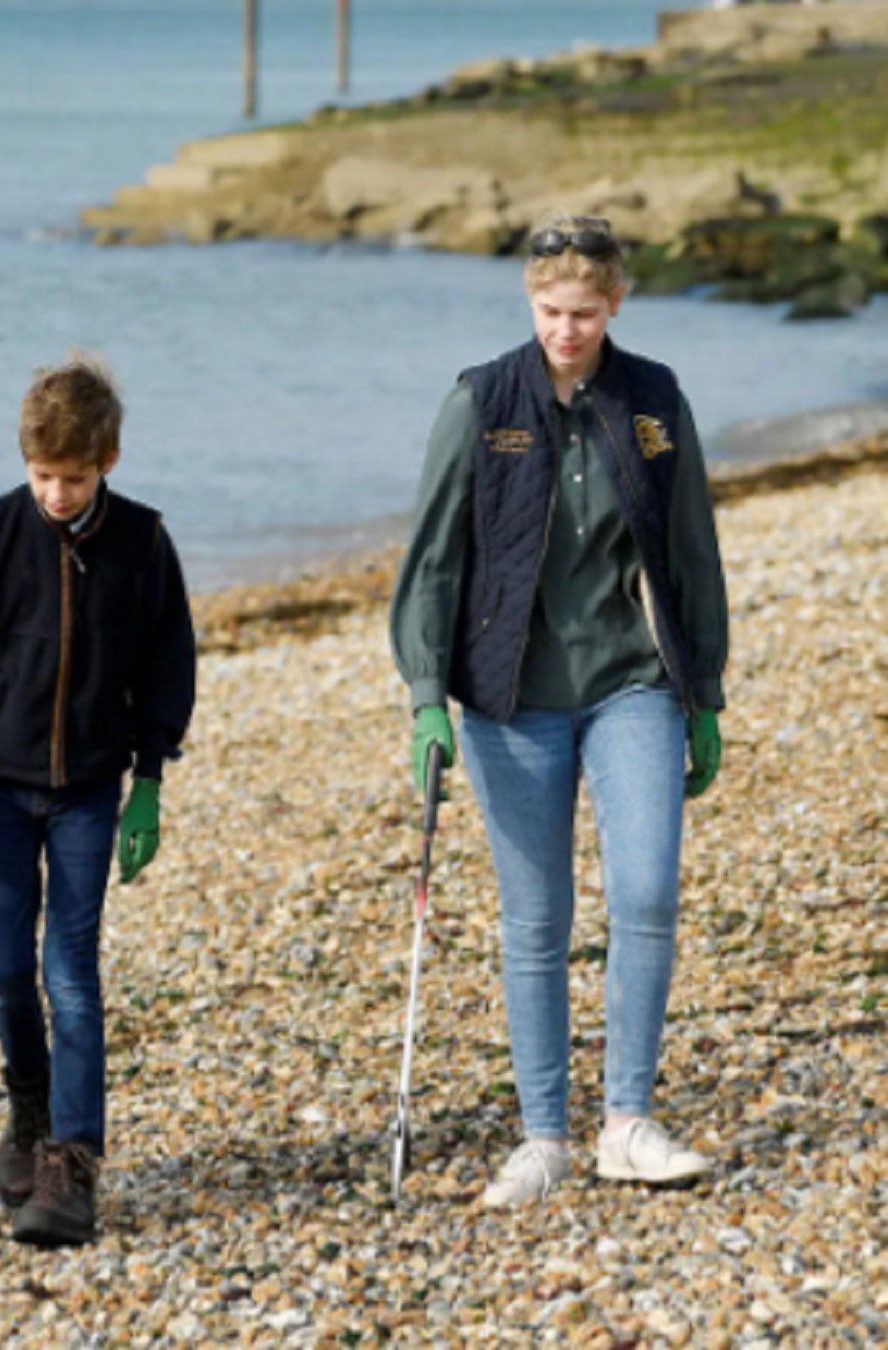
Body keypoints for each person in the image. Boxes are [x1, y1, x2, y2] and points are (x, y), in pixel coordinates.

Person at [390, 215, 729, 1209]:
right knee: (536, 920)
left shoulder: (654, 399)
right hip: (509, 695)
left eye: (584, 312)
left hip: (634, 681)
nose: (566, 330)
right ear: (528, 303)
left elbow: (694, 547)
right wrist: (424, 695)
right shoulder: (481, 399)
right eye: (548, 311)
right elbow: (433, 559)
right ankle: (544, 1138)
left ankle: (627, 1121)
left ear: (616, 302)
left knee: (649, 892)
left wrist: (704, 692)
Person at [0, 354, 197, 1247]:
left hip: (92, 789)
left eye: (72, 476)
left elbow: (166, 666)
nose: (55, 494)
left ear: (109, 458)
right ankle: (27, 1103)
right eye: (41, 476)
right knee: (0, 971)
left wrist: (150, 781)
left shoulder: (142, 543)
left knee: (70, 971)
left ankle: (71, 1157)